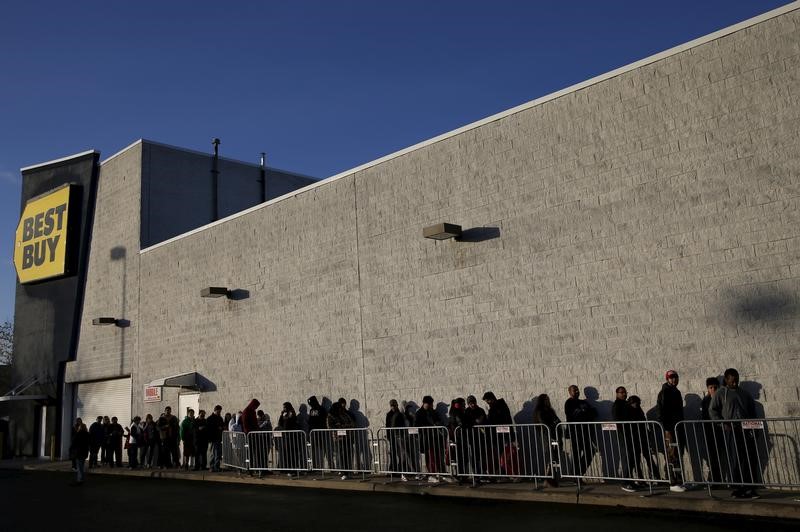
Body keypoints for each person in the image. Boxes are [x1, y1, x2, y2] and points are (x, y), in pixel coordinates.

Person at [710, 368, 760, 499]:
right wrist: (722, 424)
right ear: (726, 380)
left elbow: (752, 412)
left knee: (748, 459)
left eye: (736, 380)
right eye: (732, 381)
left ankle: (749, 487)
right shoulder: (721, 393)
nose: (735, 383)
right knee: (735, 459)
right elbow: (712, 410)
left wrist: (753, 427)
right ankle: (738, 488)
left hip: (746, 430)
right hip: (731, 430)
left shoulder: (744, 394)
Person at [656, 370, 686, 492]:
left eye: (675, 377)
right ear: (667, 379)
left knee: (678, 453)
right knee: (672, 454)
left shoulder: (676, 392)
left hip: (677, 427)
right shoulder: (664, 392)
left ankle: (679, 480)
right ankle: (673, 481)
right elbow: (660, 411)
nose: (674, 379)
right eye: (671, 378)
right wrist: (667, 427)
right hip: (670, 428)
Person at [564, 385, 597, 476]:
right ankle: (576, 476)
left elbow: (594, 414)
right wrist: (584, 412)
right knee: (576, 455)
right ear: (570, 392)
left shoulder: (583, 402)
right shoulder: (569, 403)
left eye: (578, 390)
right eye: (574, 390)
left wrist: (584, 412)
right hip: (575, 432)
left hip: (585, 432)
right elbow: (574, 415)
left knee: (589, 451)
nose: (577, 391)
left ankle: (578, 473)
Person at [612, 387, 639, 492]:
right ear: (617, 393)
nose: (624, 394)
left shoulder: (626, 404)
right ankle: (625, 482)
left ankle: (630, 480)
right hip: (623, 435)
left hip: (630, 434)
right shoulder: (617, 405)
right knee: (626, 458)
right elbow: (618, 420)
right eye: (621, 392)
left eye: (625, 392)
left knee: (631, 458)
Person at [415, 395, 446, 483]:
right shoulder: (419, 413)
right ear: (426, 403)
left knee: (437, 456)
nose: (432, 405)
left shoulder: (432, 412)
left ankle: (439, 473)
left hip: (434, 438)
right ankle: (431, 475)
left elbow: (438, 420)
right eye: (431, 404)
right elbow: (416, 426)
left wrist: (437, 423)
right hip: (426, 439)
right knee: (430, 457)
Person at [532, 394, 560, 487]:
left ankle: (552, 479)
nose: (548, 401)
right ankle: (548, 479)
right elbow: (543, 424)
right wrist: (553, 425)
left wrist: (556, 424)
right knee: (551, 457)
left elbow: (557, 420)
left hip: (553, 435)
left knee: (555, 457)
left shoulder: (550, 410)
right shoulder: (540, 411)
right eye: (546, 399)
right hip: (546, 436)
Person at [700, 377, 724, 484]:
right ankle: (714, 479)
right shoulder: (705, 400)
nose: (713, 389)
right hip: (710, 432)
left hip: (720, 431)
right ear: (707, 389)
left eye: (715, 387)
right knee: (713, 456)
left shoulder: (721, 398)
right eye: (711, 388)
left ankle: (718, 479)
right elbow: (705, 416)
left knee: (720, 456)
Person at [482, 391, 512, 476]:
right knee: (501, 454)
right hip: (499, 434)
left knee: (503, 454)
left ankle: (505, 472)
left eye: (488, 400)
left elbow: (498, 420)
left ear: (491, 399)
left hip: (501, 433)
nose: (487, 403)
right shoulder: (496, 407)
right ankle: (503, 472)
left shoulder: (498, 407)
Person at [327, 401, 355, 479]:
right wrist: (341, 426)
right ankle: (343, 472)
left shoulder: (344, 414)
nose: (341, 409)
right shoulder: (331, 415)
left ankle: (347, 472)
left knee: (347, 455)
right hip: (338, 439)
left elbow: (352, 424)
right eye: (339, 408)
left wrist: (342, 426)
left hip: (347, 437)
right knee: (341, 455)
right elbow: (330, 426)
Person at [463, 395, 487, 479]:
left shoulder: (480, 410)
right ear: (468, 404)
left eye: (473, 403)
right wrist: (475, 421)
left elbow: (484, 420)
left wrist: (480, 421)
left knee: (482, 455)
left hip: (481, 436)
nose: (472, 405)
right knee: (474, 456)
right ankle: (476, 474)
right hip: (471, 437)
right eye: (470, 403)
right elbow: (466, 423)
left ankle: (483, 473)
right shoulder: (467, 412)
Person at [385, 399, 408, 478]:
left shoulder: (400, 414)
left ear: (397, 405)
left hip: (399, 436)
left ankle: (401, 470)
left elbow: (403, 425)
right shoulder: (389, 414)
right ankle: (393, 470)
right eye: (391, 406)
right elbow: (387, 426)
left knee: (401, 454)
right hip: (392, 437)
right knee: (393, 454)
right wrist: (388, 436)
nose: (393, 407)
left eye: (394, 405)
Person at [308, 396, 328, 469]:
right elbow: (310, 421)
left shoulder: (321, 409)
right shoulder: (311, 410)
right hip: (313, 433)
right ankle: (315, 467)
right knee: (313, 450)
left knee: (321, 451)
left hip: (320, 433)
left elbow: (323, 420)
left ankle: (320, 467)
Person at [69, 421, 90, 486]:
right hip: (84, 452)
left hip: (78, 452)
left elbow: (73, 443)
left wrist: (70, 450)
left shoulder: (78, 434)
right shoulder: (87, 434)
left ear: (80, 428)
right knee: (82, 466)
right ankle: (81, 478)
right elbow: (89, 443)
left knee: (79, 467)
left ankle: (80, 480)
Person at [206, 405, 225, 472]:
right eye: (218, 411)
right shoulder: (210, 419)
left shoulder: (220, 418)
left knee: (218, 453)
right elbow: (209, 429)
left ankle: (217, 466)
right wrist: (217, 428)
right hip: (213, 438)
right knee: (213, 453)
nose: (219, 412)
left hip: (218, 438)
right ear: (215, 410)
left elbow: (222, 426)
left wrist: (222, 428)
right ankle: (212, 466)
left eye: (220, 411)